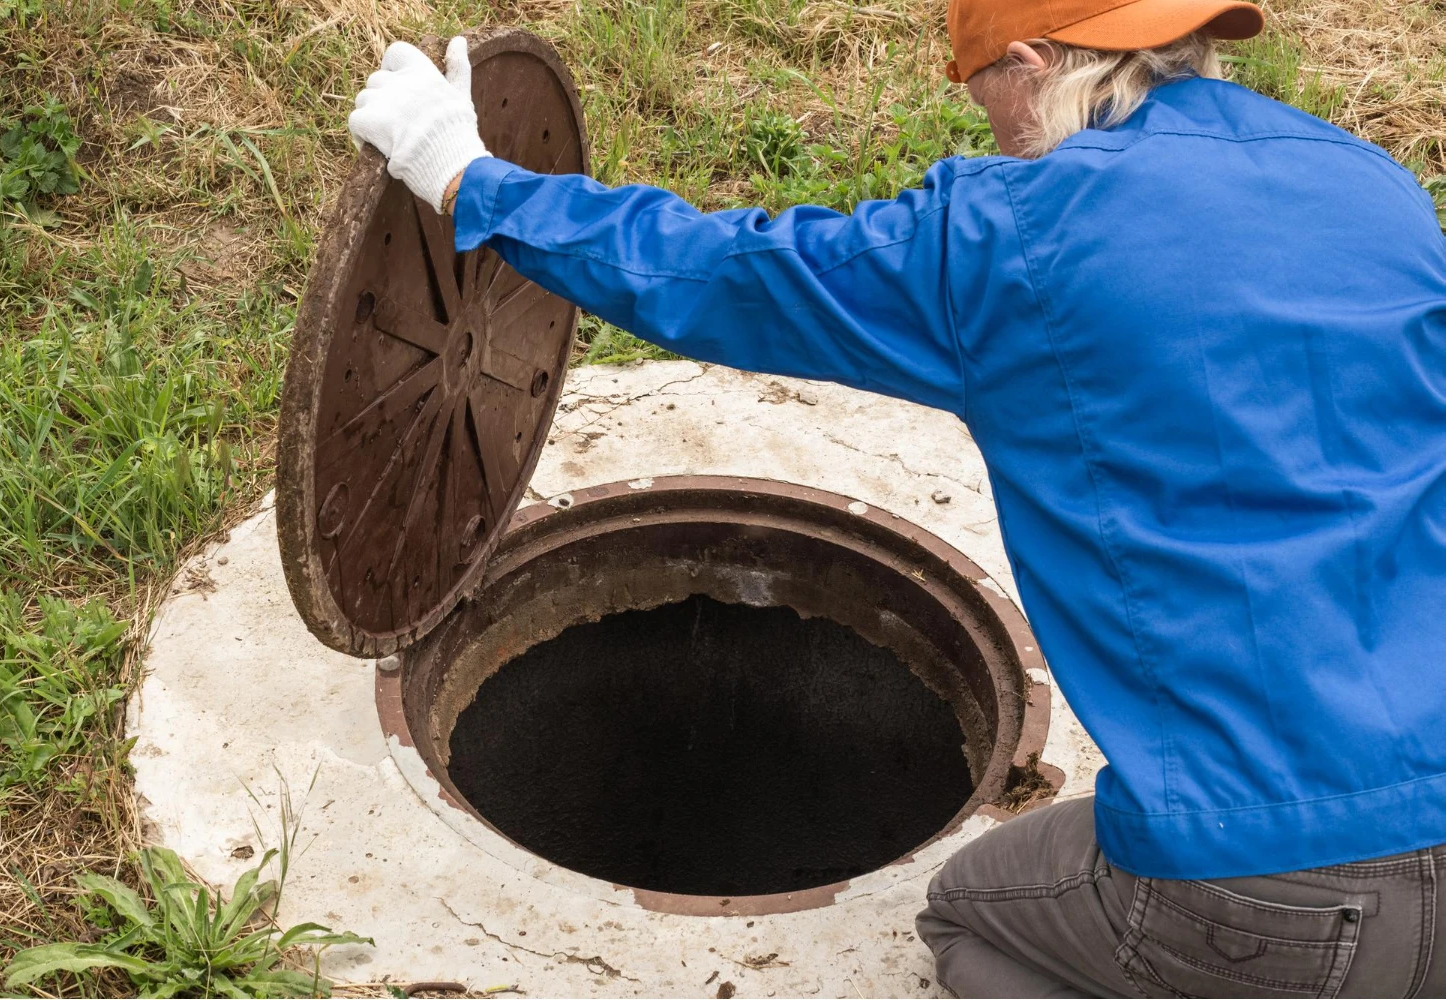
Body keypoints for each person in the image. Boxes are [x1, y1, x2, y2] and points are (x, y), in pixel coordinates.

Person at [346, 0, 1446, 993]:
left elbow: (727, 272)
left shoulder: (1015, 240)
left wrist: (467, 179)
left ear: (1030, 63)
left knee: (972, 919)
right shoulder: (1375, 188)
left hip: (1265, 882)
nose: (996, 135)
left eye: (988, 100)